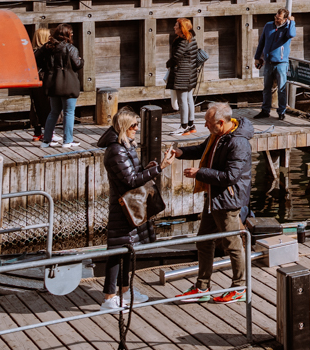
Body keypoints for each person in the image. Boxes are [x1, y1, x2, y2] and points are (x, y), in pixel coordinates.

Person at [175, 102, 252, 303]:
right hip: (214, 196)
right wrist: (182, 152)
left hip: (228, 198)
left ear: (220, 122)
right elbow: (203, 150)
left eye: (208, 123)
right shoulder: (218, 136)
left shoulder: (238, 143)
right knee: (203, 240)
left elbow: (230, 176)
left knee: (232, 243)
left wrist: (199, 173)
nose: (206, 127)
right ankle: (202, 286)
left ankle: (240, 286)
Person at [100, 108, 174, 311]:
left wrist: (149, 167)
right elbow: (130, 180)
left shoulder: (126, 146)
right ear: (124, 126)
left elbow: (133, 173)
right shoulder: (116, 150)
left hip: (130, 205)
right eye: (133, 126)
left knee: (127, 250)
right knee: (116, 252)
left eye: (137, 125)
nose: (136, 129)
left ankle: (125, 291)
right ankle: (109, 298)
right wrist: (158, 168)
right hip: (122, 208)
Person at [38, 25, 82, 149]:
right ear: (66, 34)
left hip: (53, 84)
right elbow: (77, 64)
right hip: (68, 84)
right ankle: (67, 141)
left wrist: (47, 67)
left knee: (53, 112)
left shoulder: (48, 47)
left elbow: (36, 58)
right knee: (69, 112)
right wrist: (81, 60)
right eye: (71, 33)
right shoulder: (70, 48)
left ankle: (46, 141)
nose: (72, 34)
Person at [254, 8, 296, 119]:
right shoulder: (268, 26)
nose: (276, 20)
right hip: (268, 62)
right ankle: (265, 110)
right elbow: (262, 42)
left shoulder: (288, 28)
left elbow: (292, 34)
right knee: (266, 88)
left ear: (285, 19)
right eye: (276, 17)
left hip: (281, 63)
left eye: (279, 18)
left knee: (282, 89)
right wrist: (257, 57)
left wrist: (292, 22)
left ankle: (281, 111)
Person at [168, 17, 203, 135]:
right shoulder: (190, 39)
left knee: (182, 100)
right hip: (190, 73)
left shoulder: (183, 41)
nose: (174, 27)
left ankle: (183, 126)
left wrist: (168, 63)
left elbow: (177, 57)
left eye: (176, 25)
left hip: (182, 74)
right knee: (189, 99)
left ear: (181, 28)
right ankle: (191, 125)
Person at [27, 25, 52, 142]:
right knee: (47, 105)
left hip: (33, 80)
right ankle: (48, 132)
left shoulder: (31, 51)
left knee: (35, 105)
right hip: (43, 79)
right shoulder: (43, 52)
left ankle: (37, 133)